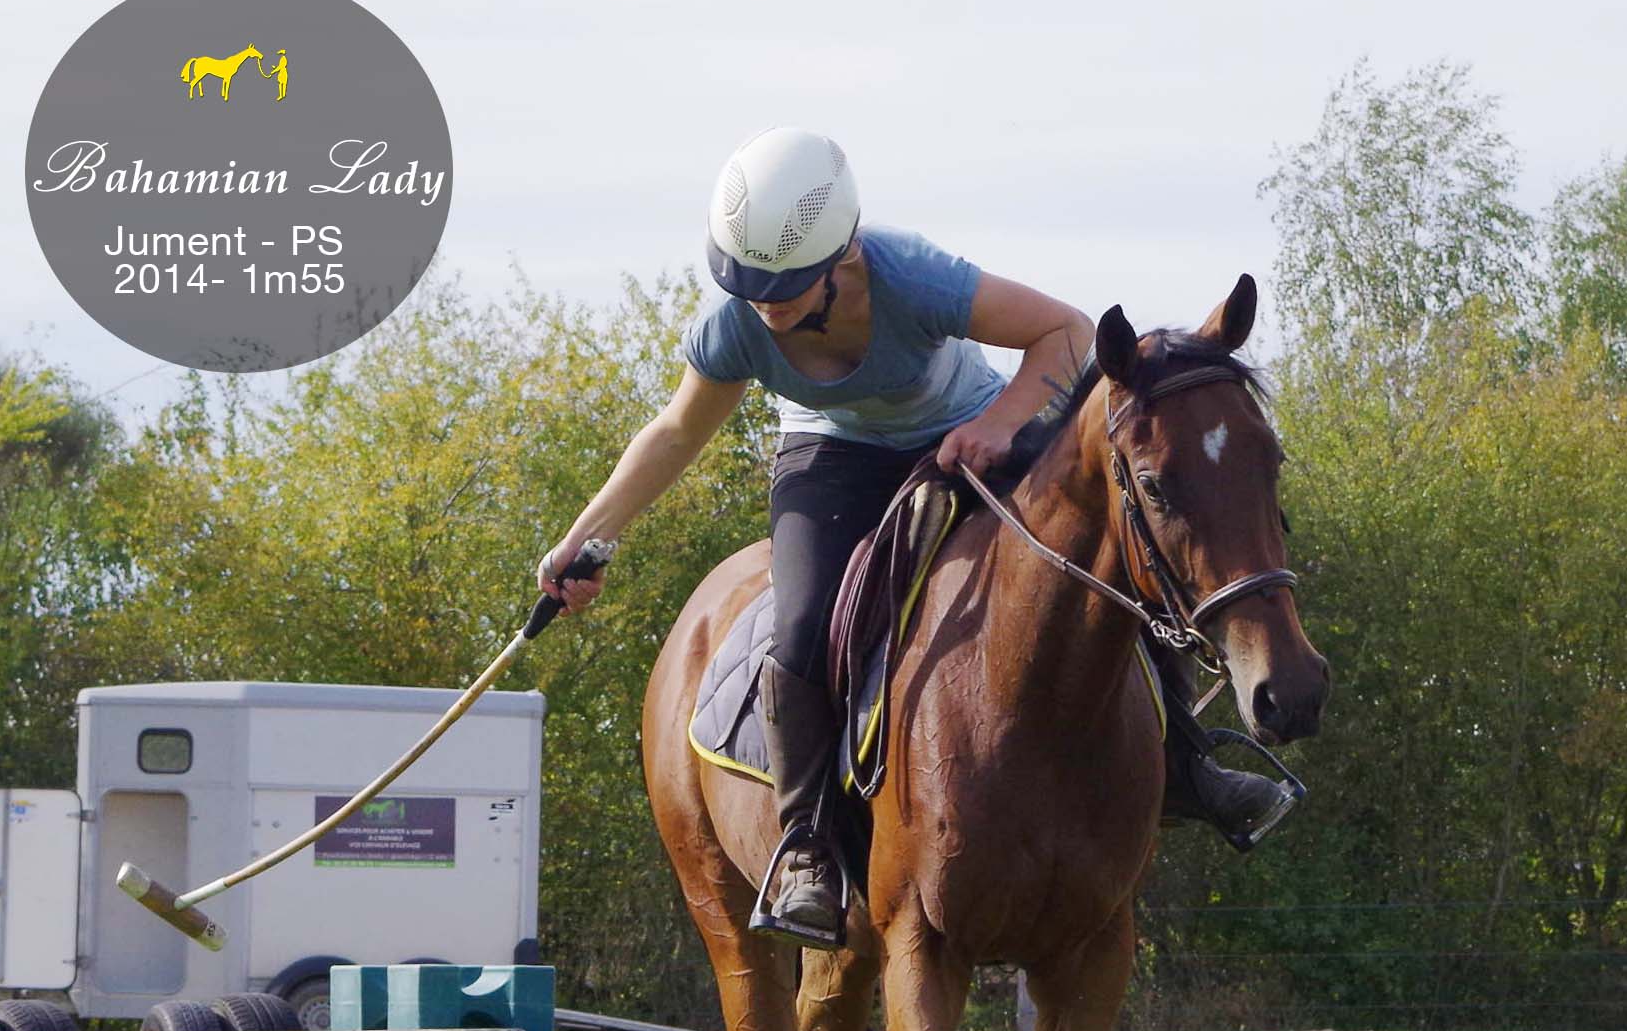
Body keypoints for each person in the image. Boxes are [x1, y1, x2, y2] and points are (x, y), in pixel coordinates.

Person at [539, 127, 1294, 949]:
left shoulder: (911, 275)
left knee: (1104, 561)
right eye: (749, 286)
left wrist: (1000, 425)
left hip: (966, 431)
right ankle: (805, 849)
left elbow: (1069, 331)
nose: (767, 306)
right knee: (797, 632)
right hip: (829, 458)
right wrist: (587, 539)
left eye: (785, 288)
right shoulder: (738, 326)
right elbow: (676, 434)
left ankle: (1192, 767)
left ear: (841, 256)